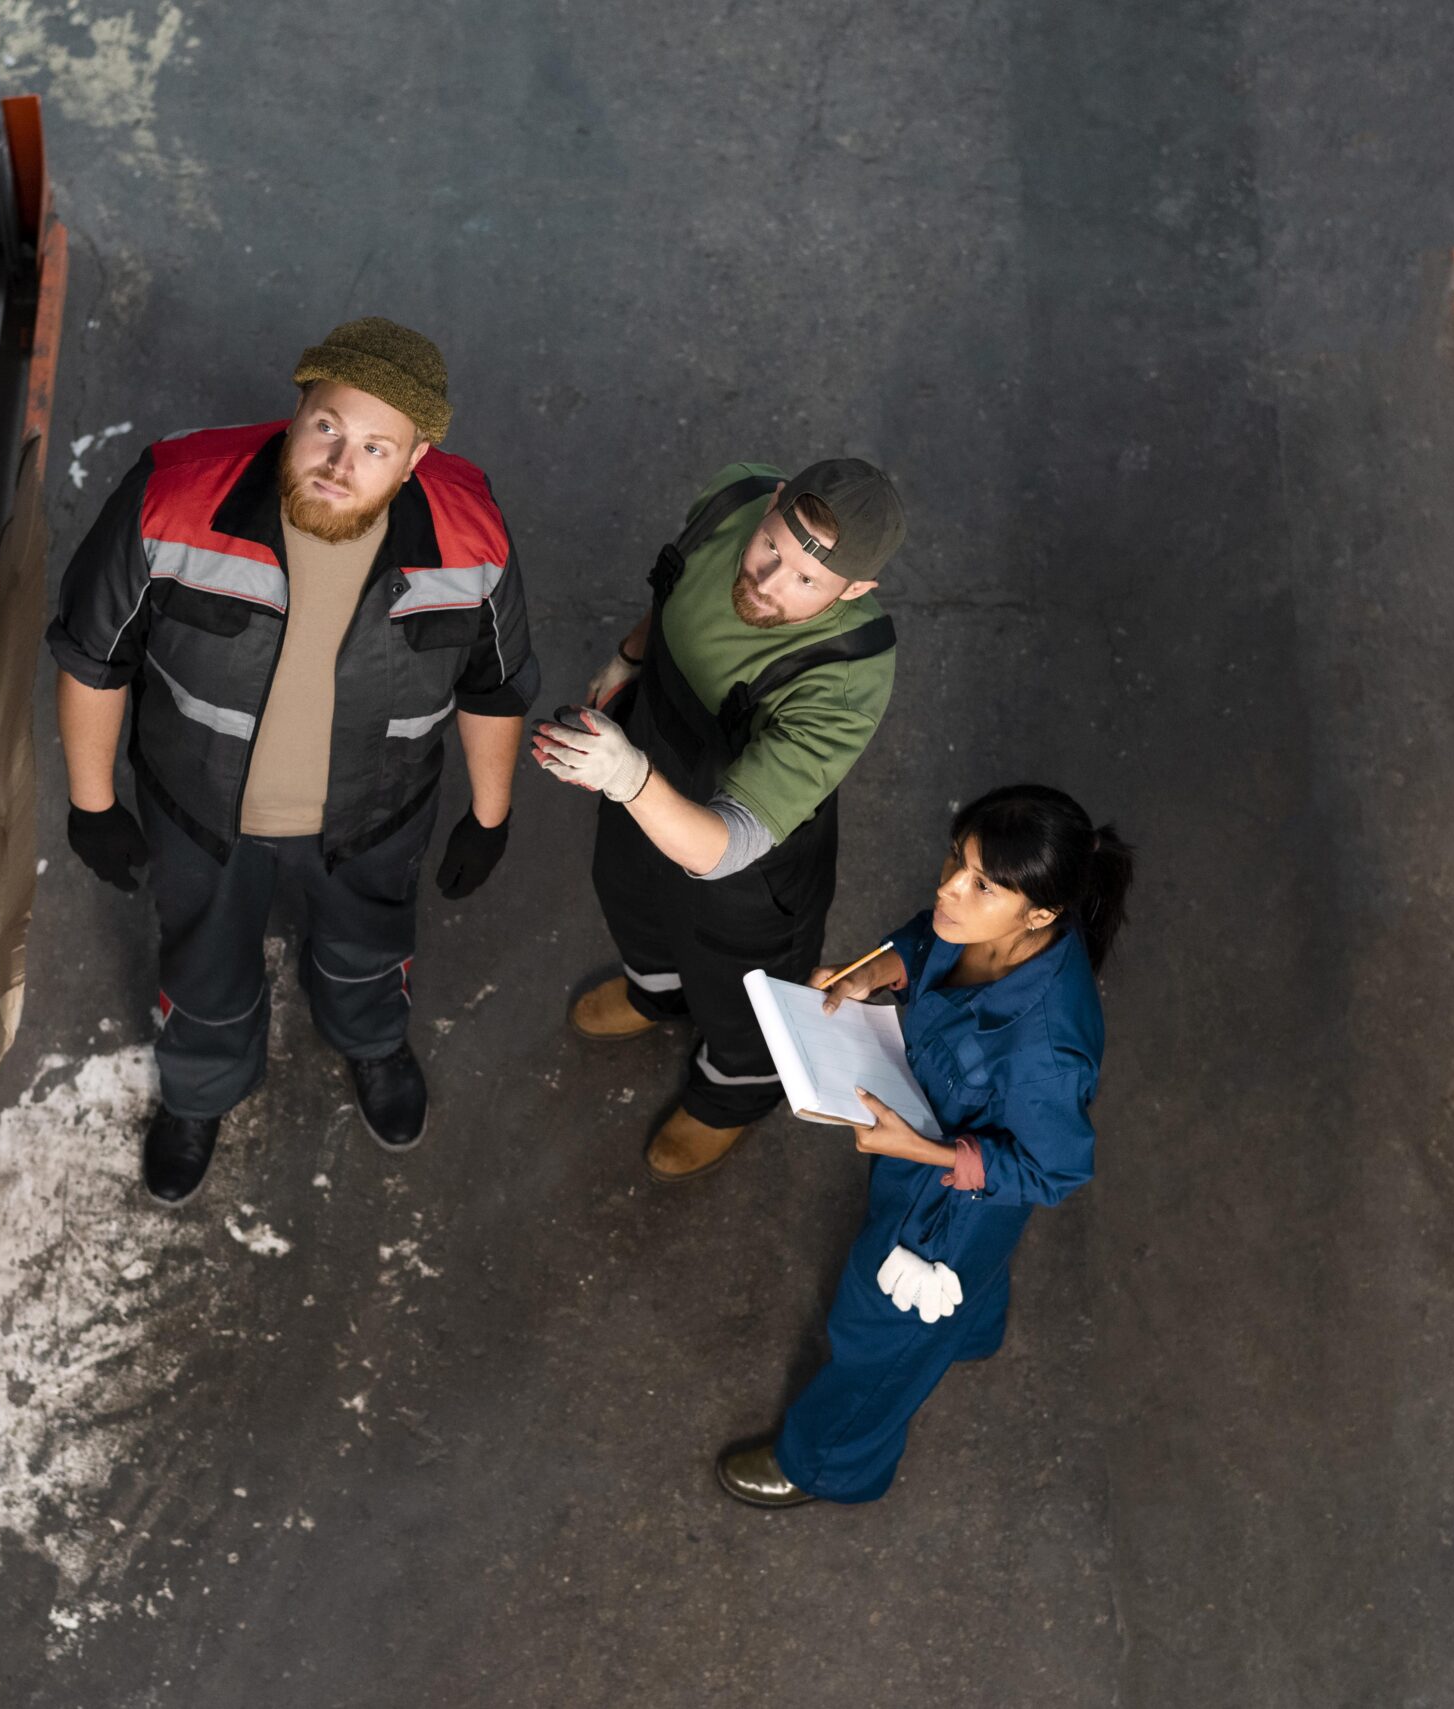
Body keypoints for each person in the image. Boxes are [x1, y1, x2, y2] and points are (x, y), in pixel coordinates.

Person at [48, 318, 538, 1203]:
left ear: (417, 458)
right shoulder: (174, 495)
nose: (341, 464)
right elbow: (93, 654)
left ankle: (372, 1042)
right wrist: (92, 803)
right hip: (200, 816)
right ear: (298, 407)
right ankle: (201, 1087)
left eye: (376, 448)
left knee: (367, 948)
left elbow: (494, 685)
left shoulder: (471, 534)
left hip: (375, 818)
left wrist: (490, 815)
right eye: (328, 427)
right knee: (205, 967)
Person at [714, 785, 1132, 1508]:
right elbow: (926, 938)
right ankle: (969, 1330)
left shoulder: (1048, 1049)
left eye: (980, 884)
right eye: (955, 860)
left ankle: (826, 1462)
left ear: (1041, 913)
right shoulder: (977, 927)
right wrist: (874, 972)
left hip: (948, 1210)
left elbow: (1054, 1168)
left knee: (876, 1334)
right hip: (924, 1145)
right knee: (965, 1290)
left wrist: (925, 1152)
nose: (948, 889)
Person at [531, 458, 902, 1183]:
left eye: (807, 581)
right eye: (772, 548)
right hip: (644, 759)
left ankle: (732, 1093)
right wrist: (630, 657)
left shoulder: (847, 673)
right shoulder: (730, 498)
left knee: (743, 987)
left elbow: (723, 846)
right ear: (769, 501)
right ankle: (657, 992)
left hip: (743, 864)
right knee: (628, 891)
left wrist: (629, 777)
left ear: (855, 591)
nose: (768, 582)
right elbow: (675, 591)